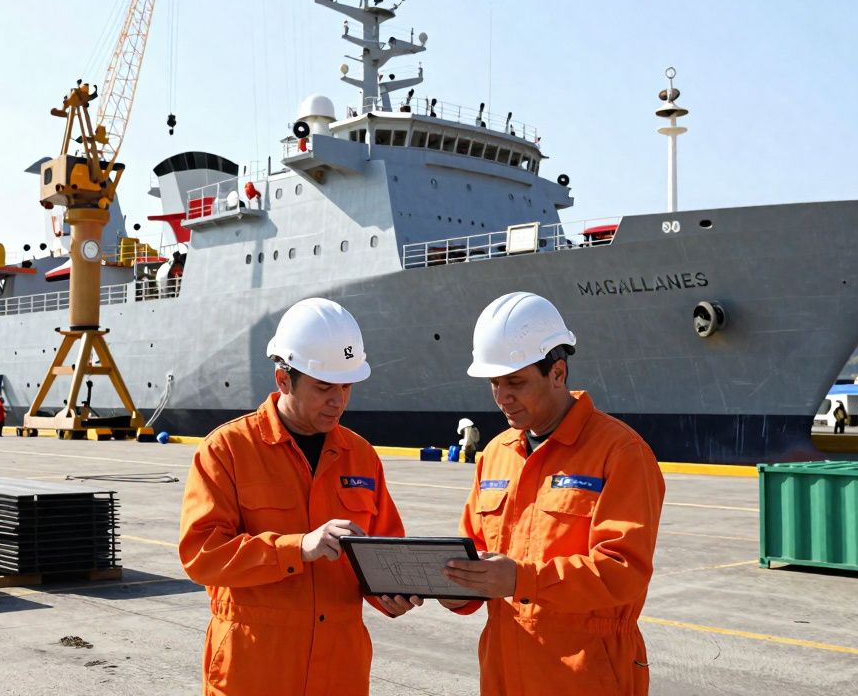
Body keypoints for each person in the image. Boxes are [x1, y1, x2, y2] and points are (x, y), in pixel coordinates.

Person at [178, 298, 418, 695]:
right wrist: (298, 548)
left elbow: (385, 550)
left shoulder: (360, 456)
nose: (338, 400)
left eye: (346, 386)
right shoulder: (228, 449)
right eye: (324, 387)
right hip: (255, 669)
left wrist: (391, 594)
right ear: (283, 379)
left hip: (339, 671)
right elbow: (201, 555)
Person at [439, 292, 665, 696]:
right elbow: (474, 554)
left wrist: (520, 579)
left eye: (516, 382)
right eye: (494, 383)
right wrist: (448, 587)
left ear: (557, 373)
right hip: (504, 670)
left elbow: (623, 572)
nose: (502, 396)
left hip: (587, 674)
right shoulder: (496, 454)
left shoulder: (620, 453)